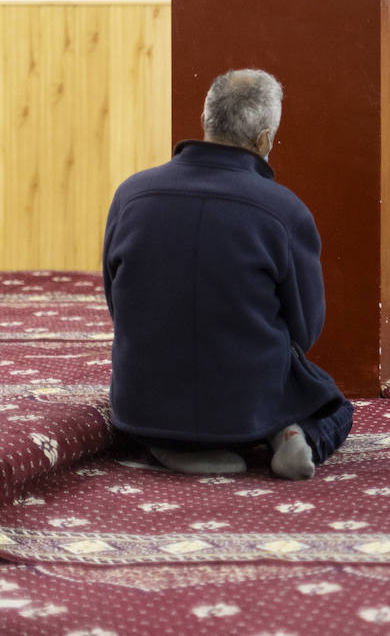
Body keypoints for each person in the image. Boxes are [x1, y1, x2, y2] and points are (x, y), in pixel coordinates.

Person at [102, 69, 353, 479]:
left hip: (143, 403)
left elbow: (117, 301)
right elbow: (306, 328)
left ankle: (174, 445)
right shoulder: (284, 210)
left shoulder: (132, 194)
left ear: (205, 121)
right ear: (264, 140)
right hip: (244, 406)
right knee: (335, 405)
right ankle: (291, 433)